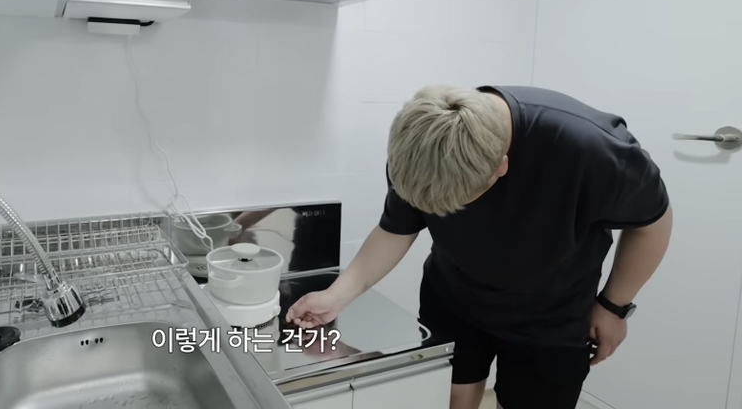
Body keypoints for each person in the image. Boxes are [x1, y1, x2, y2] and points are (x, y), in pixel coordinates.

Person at [285, 85, 673, 409]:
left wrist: (614, 305)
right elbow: (395, 230)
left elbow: (653, 223)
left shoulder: (594, 150)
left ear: (501, 168)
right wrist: (336, 296)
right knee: (452, 397)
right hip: (454, 298)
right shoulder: (420, 147)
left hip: (551, 316)